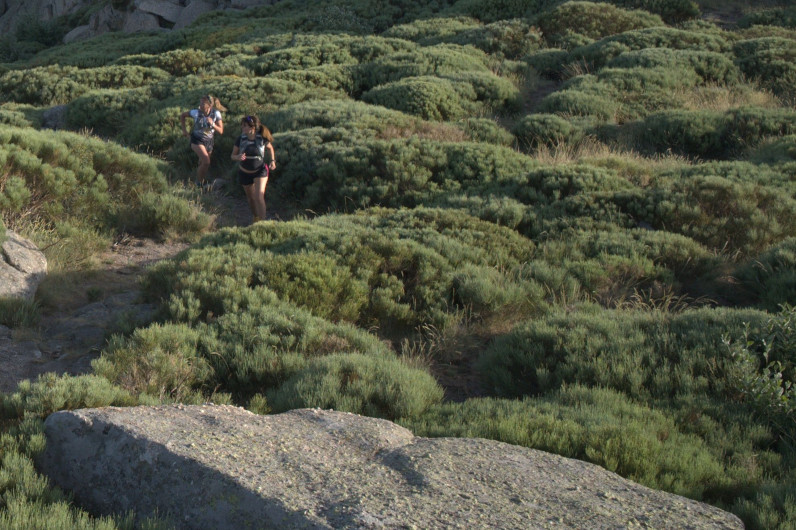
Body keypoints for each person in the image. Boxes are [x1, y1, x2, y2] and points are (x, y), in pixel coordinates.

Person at [231, 115, 276, 222]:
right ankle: (256, 217)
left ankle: (263, 222)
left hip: (260, 171)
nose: (242, 128)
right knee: (251, 198)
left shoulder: (262, 138)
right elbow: (232, 156)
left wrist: (272, 161)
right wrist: (237, 157)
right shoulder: (240, 139)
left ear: (252, 128)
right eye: (242, 126)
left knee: (259, 196)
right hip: (244, 172)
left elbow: (270, 148)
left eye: (245, 126)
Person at [180, 94, 226, 185]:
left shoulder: (216, 113)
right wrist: (184, 131)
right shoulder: (196, 112)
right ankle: (199, 183)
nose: (200, 105)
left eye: (203, 104)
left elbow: (221, 131)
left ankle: (200, 180)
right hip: (196, 140)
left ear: (210, 105)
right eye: (200, 103)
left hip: (209, 141)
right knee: (206, 161)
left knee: (202, 163)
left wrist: (212, 124)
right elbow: (183, 115)